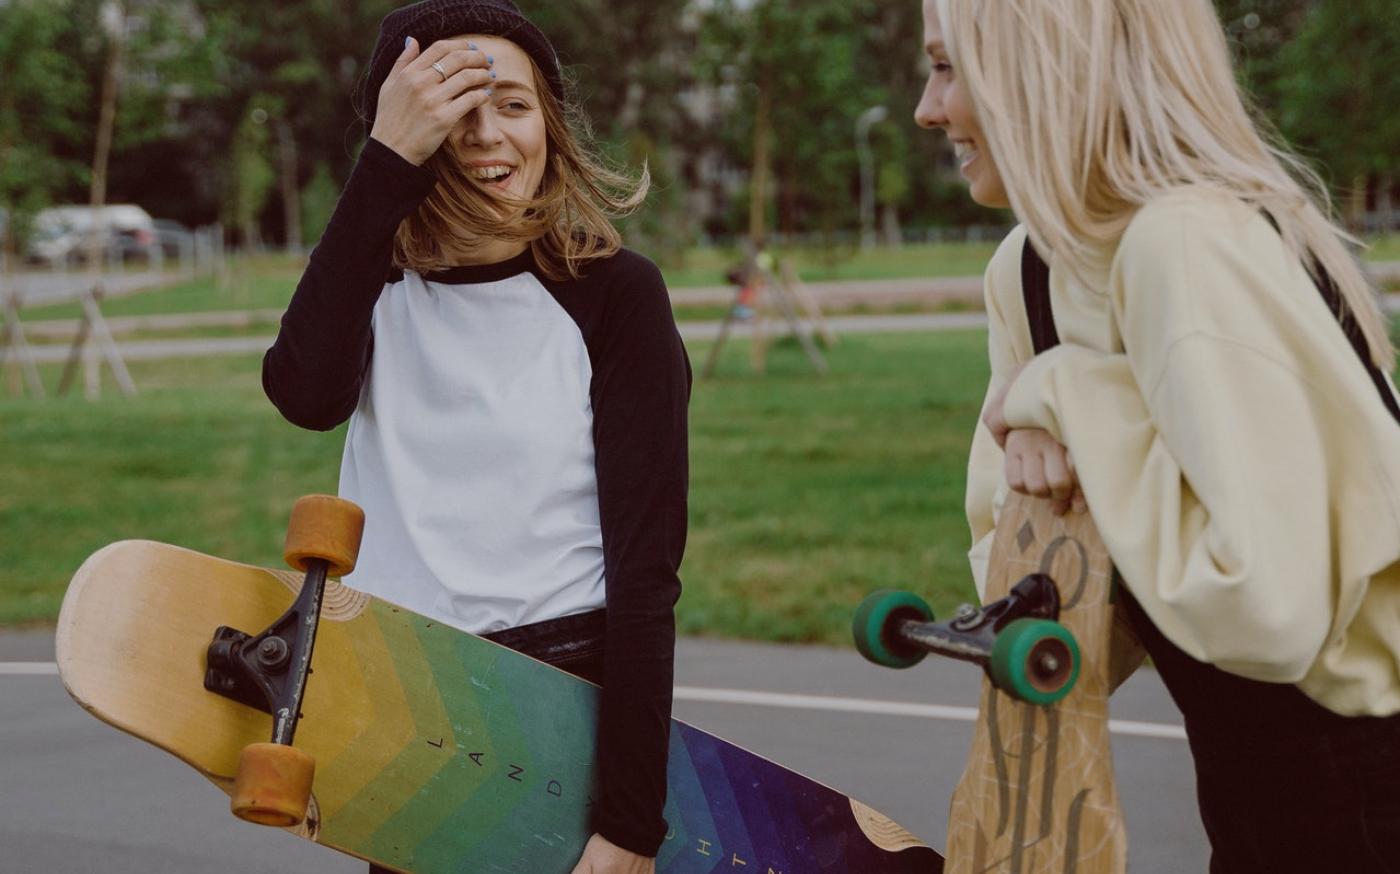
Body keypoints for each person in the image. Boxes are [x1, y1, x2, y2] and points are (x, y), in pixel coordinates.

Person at [915, 0, 1400, 870]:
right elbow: (1045, 606)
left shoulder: (1187, 242)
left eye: (949, 67)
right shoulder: (1030, 269)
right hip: (1255, 795)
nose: (927, 106)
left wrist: (1064, 393)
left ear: (1043, 69)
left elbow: (1269, 612)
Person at [261, 2, 690, 872]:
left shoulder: (614, 295)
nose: (490, 136)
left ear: (552, 124)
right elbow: (305, 395)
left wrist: (631, 824)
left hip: (561, 686)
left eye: (515, 106)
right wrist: (383, 167)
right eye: (455, 110)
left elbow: (646, 573)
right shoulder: (372, 283)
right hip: (399, 690)